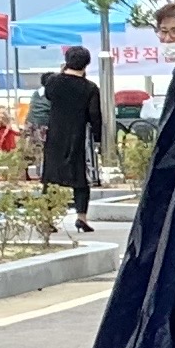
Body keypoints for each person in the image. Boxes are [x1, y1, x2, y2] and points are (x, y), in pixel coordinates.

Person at [35, 43, 106, 237]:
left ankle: (46, 219)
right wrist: (98, 138)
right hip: (78, 136)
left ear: (66, 61)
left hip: (55, 134)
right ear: (86, 64)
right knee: (80, 178)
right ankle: (81, 217)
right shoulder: (90, 88)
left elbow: (48, 96)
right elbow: (94, 115)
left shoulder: (54, 82)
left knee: (50, 178)